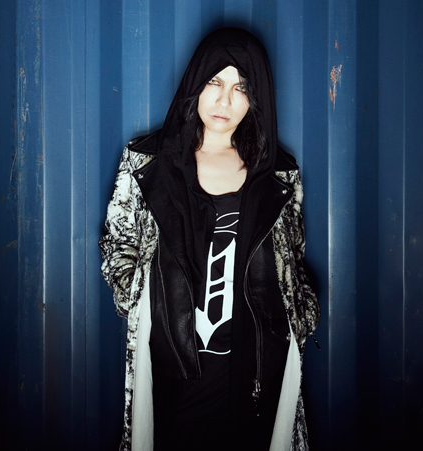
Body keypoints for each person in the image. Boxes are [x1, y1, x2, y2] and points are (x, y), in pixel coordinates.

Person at [99, 28, 319, 451]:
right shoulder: (146, 163)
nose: (224, 101)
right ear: (196, 83)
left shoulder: (279, 174)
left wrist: (301, 313)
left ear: (256, 97)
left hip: (254, 372)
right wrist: (142, 304)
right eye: (215, 82)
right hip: (175, 369)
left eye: (241, 87)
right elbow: (117, 246)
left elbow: (292, 259)